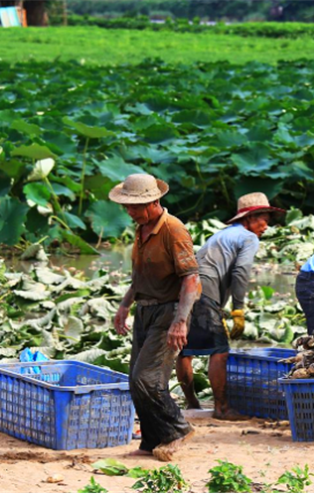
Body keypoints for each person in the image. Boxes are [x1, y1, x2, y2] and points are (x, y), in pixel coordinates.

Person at [110, 174, 201, 461]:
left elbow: (191, 278)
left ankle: (177, 429)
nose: (129, 212)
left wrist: (180, 321)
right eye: (127, 206)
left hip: (168, 311)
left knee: (147, 379)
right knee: (135, 380)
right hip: (145, 309)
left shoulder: (173, 230)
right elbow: (139, 277)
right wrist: (125, 306)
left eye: (135, 207)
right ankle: (151, 441)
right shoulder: (141, 229)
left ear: (154, 202)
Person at [175, 192, 284, 421]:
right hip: (206, 291)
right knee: (220, 350)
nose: (267, 225)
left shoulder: (222, 234)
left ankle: (192, 402)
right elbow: (240, 272)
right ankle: (222, 409)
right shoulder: (248, 237)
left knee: (186, 349)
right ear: (250, 218)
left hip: (186, 288)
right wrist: (238, 309)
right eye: (264, 218)